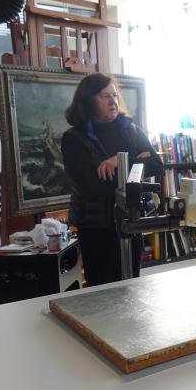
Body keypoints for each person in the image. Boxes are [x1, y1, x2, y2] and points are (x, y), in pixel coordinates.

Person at [62, 72, 163, 287]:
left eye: (115, 95)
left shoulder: (131, 130)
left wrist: (117, 162)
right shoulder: (74, 138)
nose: (112, 101)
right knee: (103, 292)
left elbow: (157, 166)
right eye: (104, 96)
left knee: (132, 287)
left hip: (131, 220)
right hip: (96, 228)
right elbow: (95, 185)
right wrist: (136, 166)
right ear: (88, 100)